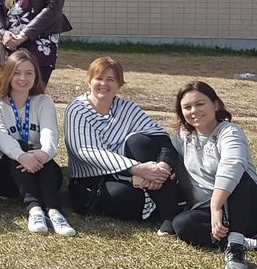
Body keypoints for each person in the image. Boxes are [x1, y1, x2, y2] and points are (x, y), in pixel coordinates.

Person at [168, 81, 257, 269]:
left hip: (250, 210)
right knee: (181, 225)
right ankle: (253, 243)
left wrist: (216, 206)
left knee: (238, 175)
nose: (194, 111)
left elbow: (232, 166)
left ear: (215, 105)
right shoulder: (183, 137)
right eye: (187, 107)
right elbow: (167, 153)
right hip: (215, 214)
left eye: (200, 104)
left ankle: (235, 250)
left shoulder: (230, 132)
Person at [63, 56, 187, 229]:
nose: (104, 84)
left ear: (119, 85)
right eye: (98, 78)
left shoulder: (126, 108)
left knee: (139, 142)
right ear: (89, 81)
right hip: (94, 178)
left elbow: (161, 137)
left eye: (110, 79)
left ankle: (169, 214)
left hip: (133, 173)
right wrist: (136, 169)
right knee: (123, 197)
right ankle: (166, 202)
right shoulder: (77, 109)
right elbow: (86, 151)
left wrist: (164, 166)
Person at [0, 50, 75, 236]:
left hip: (40, 169)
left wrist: (44, 153)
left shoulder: (43, 101)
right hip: (3, 175)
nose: (22, 78)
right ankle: (35, 210)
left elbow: (50, 133)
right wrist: (22, 156)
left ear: (36, 76)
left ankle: (54, 213)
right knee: (21, 145)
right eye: (16, 72)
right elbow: (0, 136)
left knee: (38, 150)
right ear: (7, 74)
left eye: (29, 73)